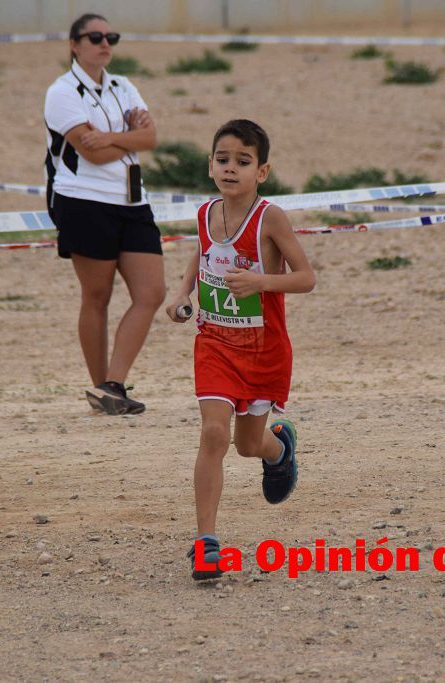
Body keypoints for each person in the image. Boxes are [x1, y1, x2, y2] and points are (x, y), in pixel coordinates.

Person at [166, 119, 316, 580]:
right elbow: (203, 251)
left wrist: (261, 282)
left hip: (262, 348)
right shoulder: (205, 211)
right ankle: (206, 544)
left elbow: (306, 278)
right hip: (214, 343)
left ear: (262, 171)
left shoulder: (270, 217)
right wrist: (182, 293)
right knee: (214, 434)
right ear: (210, 164)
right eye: (223, 159)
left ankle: (278, 451)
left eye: (243, 162)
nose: (231, 169)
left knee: (247, 444)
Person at [44, 13, 165, 415]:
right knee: (97, 296)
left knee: (151, 293)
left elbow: (149, 138)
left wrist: (113, 136)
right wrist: (127, 140)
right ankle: (103, 388)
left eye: (110, 36)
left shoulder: (124, 86)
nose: (104, 42)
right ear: (74, 45)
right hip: (84, 201)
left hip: (132, 201)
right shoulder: (61, 92)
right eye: (94, 36)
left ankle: (112, 383)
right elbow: (90, 153)